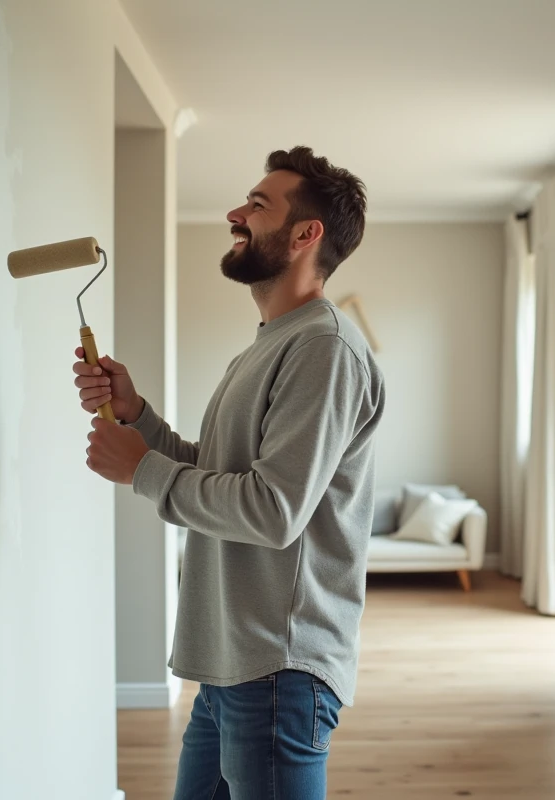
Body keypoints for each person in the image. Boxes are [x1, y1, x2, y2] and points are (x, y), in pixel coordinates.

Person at [74, 146, 384, 800]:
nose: (234, 213)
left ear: (306, 235)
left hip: (278, 668)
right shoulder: (274, 341)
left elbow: (273, 511)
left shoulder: (323, 347)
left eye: (257, 204)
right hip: (230, 665)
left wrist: (145, 470)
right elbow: (224, 476)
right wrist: (139, 419)